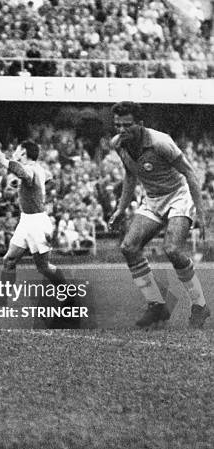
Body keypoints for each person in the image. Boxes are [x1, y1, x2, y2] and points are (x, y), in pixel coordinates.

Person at [108, 101, 210, 329]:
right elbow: (130, 177)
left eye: (127, 125)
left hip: (178, 196)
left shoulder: (160, 142)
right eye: (118, 125)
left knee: (172, 249)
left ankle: (200, 306)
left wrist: (201, 214)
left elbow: (190, 174)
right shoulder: (118, 144)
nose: (122, 130)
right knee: (128, 247)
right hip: (153, 199)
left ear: (140, 124)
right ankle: (157, 306)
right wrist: (120, 209)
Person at [0, 141, 67, 305]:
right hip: (26, 220)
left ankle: (69, 295)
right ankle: (2, 299)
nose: (14, 152)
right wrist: (23, 183)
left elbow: (26, 174)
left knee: (43, 267)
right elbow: (47, 177)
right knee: (9, 260)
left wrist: (4, 161)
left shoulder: (30, 168)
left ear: (23, 153)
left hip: (36, 221)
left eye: (17, 150)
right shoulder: (39, 168)